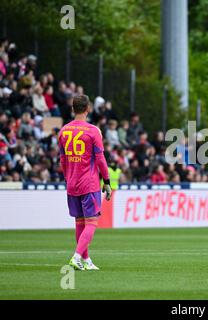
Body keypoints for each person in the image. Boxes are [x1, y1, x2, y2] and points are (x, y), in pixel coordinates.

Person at [58, 94, 112, 271]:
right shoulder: (93, 131)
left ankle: (86, 260)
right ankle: (76, 257)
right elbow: (100, 159)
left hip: (72, 183)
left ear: (73, 109)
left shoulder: (63, 131)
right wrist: (107, 180)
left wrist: (68, 179)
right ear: (88, 109)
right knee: (91, 222)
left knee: (79, 222)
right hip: (89, 183)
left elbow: (63, 160)